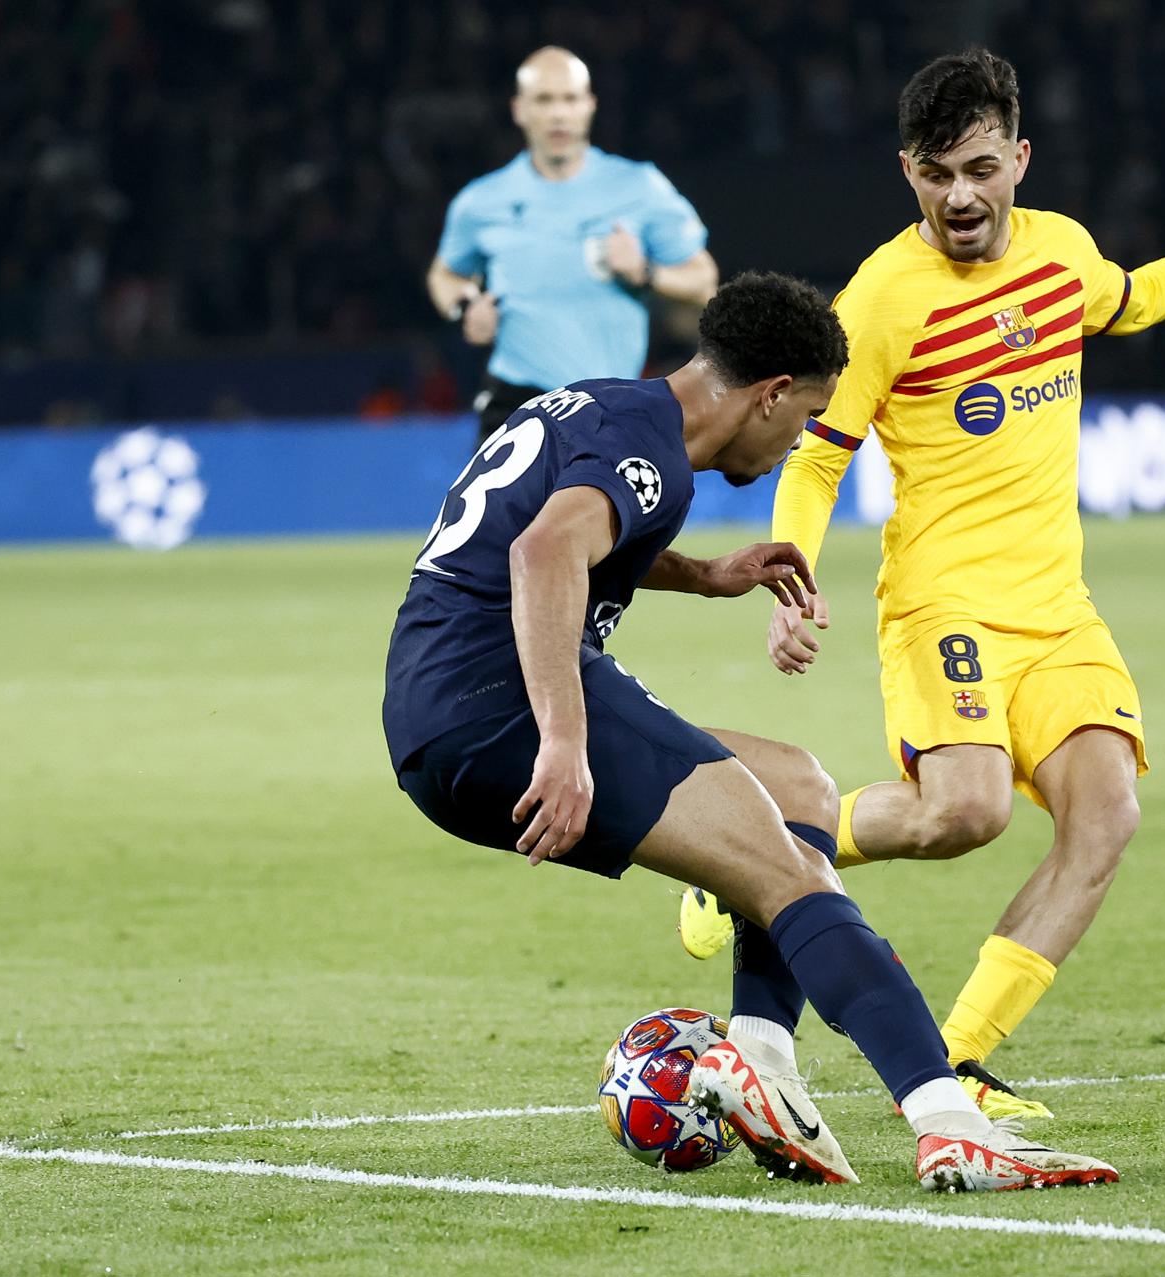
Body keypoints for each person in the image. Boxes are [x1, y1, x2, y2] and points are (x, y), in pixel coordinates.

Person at [677, 50, 1165, 1118]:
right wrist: (790, 573)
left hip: (1057, 606)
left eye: (980, 168)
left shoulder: (1063, 251)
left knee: (1106, 815)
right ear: (908, 173)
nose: (961, 196)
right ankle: (745, 847)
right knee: (962, 812)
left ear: (1018, 156)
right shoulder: (880, 298)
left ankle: (959, 1059)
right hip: (946, 600)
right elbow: (823, 449)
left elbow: (1140, 296)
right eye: (937, 175)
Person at [382, 272, 1116, 1192]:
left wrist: (706, 574)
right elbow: (543, 552)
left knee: (798, 788)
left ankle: (762, 1063)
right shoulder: (653, 451)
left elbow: (553, 528)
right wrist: (562, 742)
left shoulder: (618, 410)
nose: (799, 439)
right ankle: (950, 1124)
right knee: (790, 872)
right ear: (769, 393)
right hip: (499, 700)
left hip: (440, 700)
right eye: (804, 414)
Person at [425, 46, 719, 442]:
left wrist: (645, 272)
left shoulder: (639, 186)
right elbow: (445, 274)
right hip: (515, 404)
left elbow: (704, 282)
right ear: (519, 109)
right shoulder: (481, 202)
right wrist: (464, 309)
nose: (559, 114)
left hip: (610, 404)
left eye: (570, 98)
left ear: (590, 105)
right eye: (544, 100)